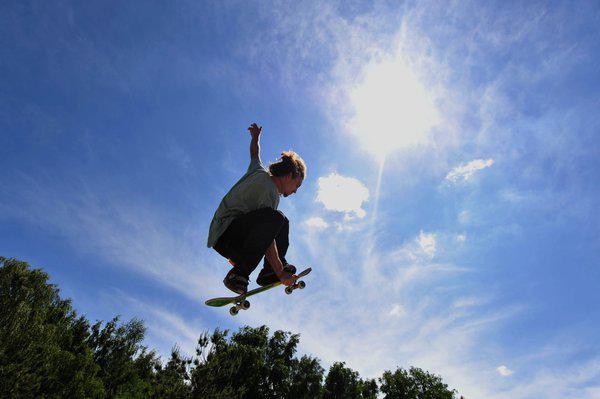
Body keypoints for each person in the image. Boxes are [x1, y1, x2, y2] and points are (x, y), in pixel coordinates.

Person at [207, 123, 306, 294]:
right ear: (290, 176)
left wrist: (255, 138)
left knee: (281, 221)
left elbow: (255, 153)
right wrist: (281, 273)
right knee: (276, 219)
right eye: (297, 185)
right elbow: (268, 241)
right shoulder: (270, 194)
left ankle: (268, 272)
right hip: (227, 235)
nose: (295, 191)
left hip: (229, 234)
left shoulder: (258, 170)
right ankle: (238, 274)